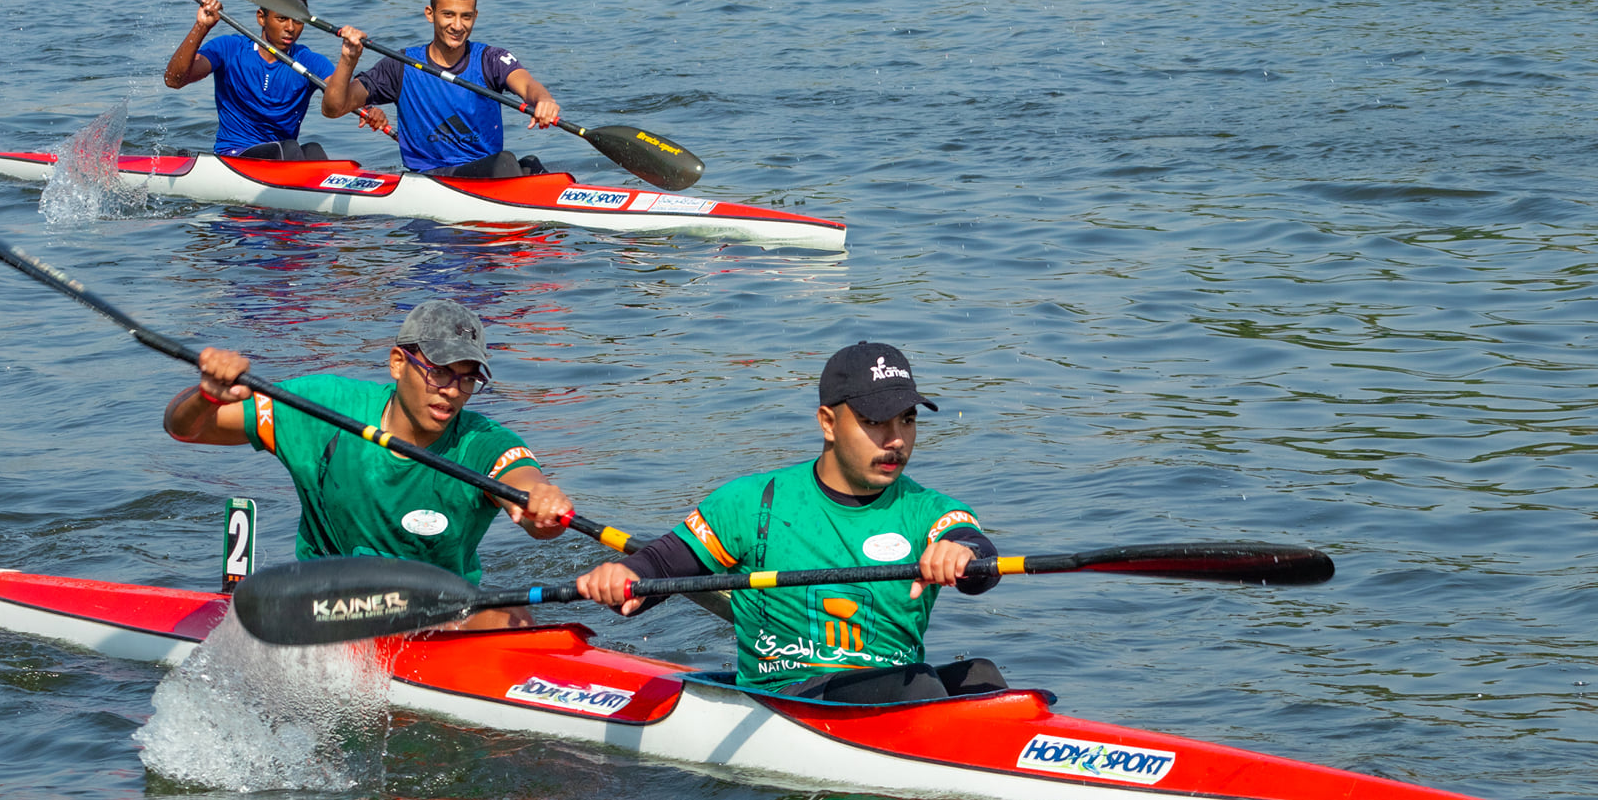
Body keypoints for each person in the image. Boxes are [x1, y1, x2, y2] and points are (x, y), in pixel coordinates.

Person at [575, 343, 1005, 703]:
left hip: (894, 693)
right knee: (921, 687)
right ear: (828, 423)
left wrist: (962, 554)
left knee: (981, 677)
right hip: (789, 697)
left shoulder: (927, 508)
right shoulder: (753, 503)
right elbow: (661, 569)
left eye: (907, 420)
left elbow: (976, 553)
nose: (895, 440)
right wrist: (622, 579)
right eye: (874, 422)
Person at [164, 298, 575, 630]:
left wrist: (541, 503)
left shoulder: (483, 442)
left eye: (467, 379)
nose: (451, 391)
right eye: (439, 373)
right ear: (398, 362)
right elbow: (186, 430)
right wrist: (208, 396)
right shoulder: (322, 408)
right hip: (327, 608)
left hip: (437, 616)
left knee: (513, 622)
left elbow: (524, 487)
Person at [318, 0, 560, 179]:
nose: (457, 25)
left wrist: (544, 100)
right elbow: (334, 108)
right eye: (448, 15)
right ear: (430, 14)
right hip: (431, 179)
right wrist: (348, 59)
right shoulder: (400, 65)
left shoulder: (491, 59)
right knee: (506, 162)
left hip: (487, 173)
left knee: (531, 165)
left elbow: (528, 85)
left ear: (475, 16)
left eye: (465, 16)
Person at [162, 0, 389, 159]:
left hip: (282, 159)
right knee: (289, 148)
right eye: (281, 18)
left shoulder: (308, 60)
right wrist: (202, 27)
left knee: (312, 150)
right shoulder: (229, 49)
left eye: (298, 21)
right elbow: (174, 80)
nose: (290, 28)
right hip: (233, 157)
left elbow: (340, 95)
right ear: (262, 17)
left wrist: (369, 110)